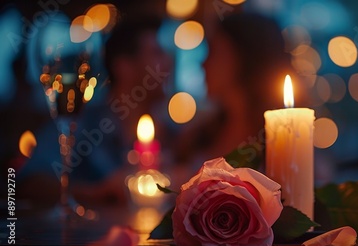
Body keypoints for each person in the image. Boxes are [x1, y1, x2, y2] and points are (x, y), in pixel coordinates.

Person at [18, 15, 173, 209]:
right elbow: (28, 182)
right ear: (123, 66)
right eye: (157, 53)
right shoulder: (83, 123)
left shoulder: (172, 133)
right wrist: (94, 193)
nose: (169, 62)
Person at [174, 13, 299, 168]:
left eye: (213, 51)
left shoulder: (285, 142)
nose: (203, 63)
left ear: (243, 58)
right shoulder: (197, 137)